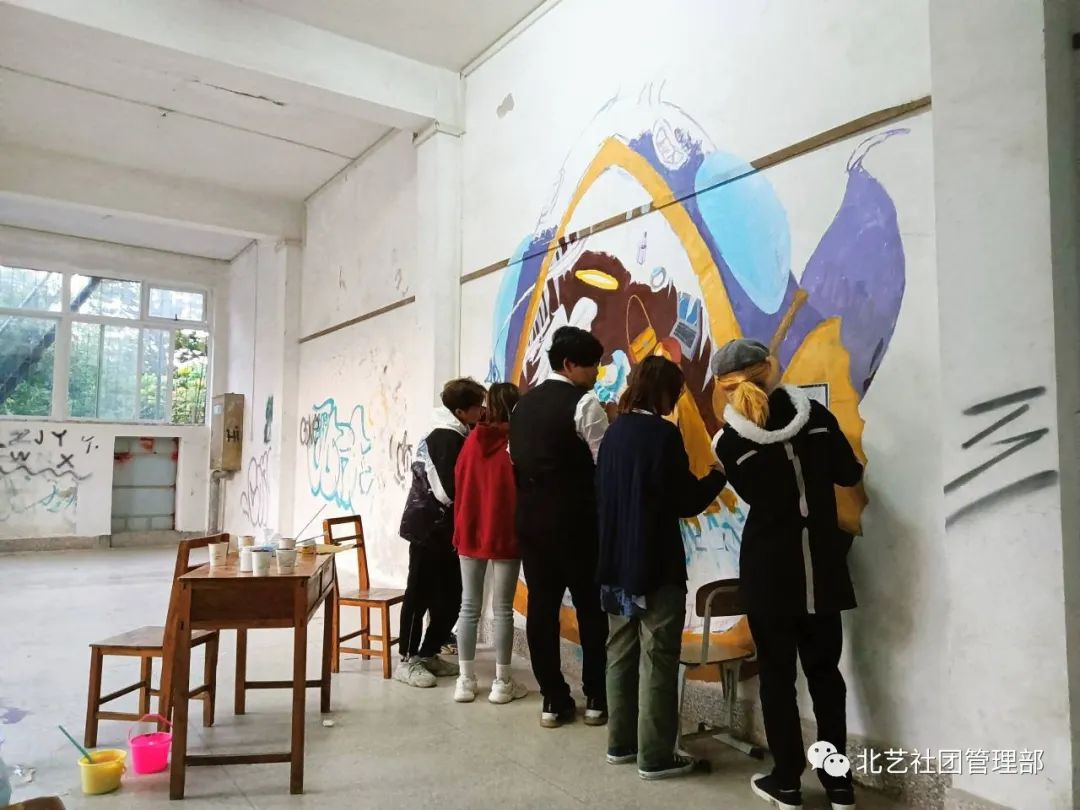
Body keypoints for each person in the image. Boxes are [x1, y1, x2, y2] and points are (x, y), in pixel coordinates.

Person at [710, 339, 862, 810]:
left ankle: (788, 783)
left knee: (777, 678)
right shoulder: (816, 417)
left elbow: (755, 494)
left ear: (724, 385)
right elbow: (848, 473)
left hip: (769, 570)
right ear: (770, 368)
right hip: (822, 567)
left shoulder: (729, 441)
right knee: (826, 675)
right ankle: (839, 784)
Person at [596, 356, 727, 780]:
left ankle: (620, 745)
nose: (678, 400)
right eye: (677, 391)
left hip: (614, 562)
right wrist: (717, 476)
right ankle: (655, 757)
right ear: (664, 392)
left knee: (619, 652)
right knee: (659, 657)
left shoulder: (614, 432)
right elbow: (685, 500)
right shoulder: (662, 435)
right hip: (655, 563)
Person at [509, 325, 613, 728]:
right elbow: (605, 465)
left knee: (542, 609)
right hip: (578, 523)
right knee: (590, 609)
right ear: (570, 364)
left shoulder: (521, 407)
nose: (596, 373)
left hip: (532, 522)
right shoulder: (585, 404)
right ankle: (597, 697)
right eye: (592, 365)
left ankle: (553, 698)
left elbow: (516, 459)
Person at [396, 377, 487, 688]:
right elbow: (448, 491)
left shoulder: (456, 433)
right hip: (428, 529)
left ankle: (429, 652)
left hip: (446, 530)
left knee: (451, 596)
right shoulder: (446, 437)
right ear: (461, 411)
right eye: (477, 406)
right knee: (420, 593)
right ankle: (408, 659)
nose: (482, 411)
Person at [451, 382, 529, 705]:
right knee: (502, 610)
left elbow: (460, 482)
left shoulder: (471, 441)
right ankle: (502, 682)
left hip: (470, 532)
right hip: (505, 533)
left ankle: (465, 681)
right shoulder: (516, 443)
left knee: (469, 607)